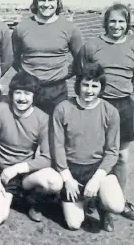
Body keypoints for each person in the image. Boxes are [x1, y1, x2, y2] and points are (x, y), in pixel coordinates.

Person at [0, 72, 63, 226]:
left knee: (55, 182)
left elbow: (47, 157)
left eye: (27, 93)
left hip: (23, 175)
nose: (22, 98)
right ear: (11, 93)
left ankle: (31, 200)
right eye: (18, 93)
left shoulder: (43, 118)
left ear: (34, 96)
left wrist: (16, 169)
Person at [52, 62, 125, 231]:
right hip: (71, 169)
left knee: (116, 205)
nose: (89, 90)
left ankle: (103, 207)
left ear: (101, 88)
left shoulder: (110, 112)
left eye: (95, 85)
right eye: (85, 84)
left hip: (97, 167)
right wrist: (68, 179)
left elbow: (112, 151)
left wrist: (96, 179)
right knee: (74, 224)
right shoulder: (63, 108)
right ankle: (77, 199)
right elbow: (58, 146)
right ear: (78, 85)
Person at [78, 3, 134, 220]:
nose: (116, 25)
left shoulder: (131, 47)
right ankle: (91, 198)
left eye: (121, 21)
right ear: (105, 23)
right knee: (94, 153)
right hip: (98, 105)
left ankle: (114, 204)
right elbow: (82, 74)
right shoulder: (92, 46)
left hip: (124, 107)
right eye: (112, 21)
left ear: (127, 24)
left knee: (120, 156)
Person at [12, 0, 84, 115]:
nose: (46, 4)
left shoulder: (70, 29)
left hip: (57, 91)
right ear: (35, 2)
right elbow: (14, 58)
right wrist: (27, 73)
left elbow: (81, 59)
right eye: (42, 0)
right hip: (29, 89)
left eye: (51, 0)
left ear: (58, 2)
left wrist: (63, 74)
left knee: (55, 131)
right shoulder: (22, 28)